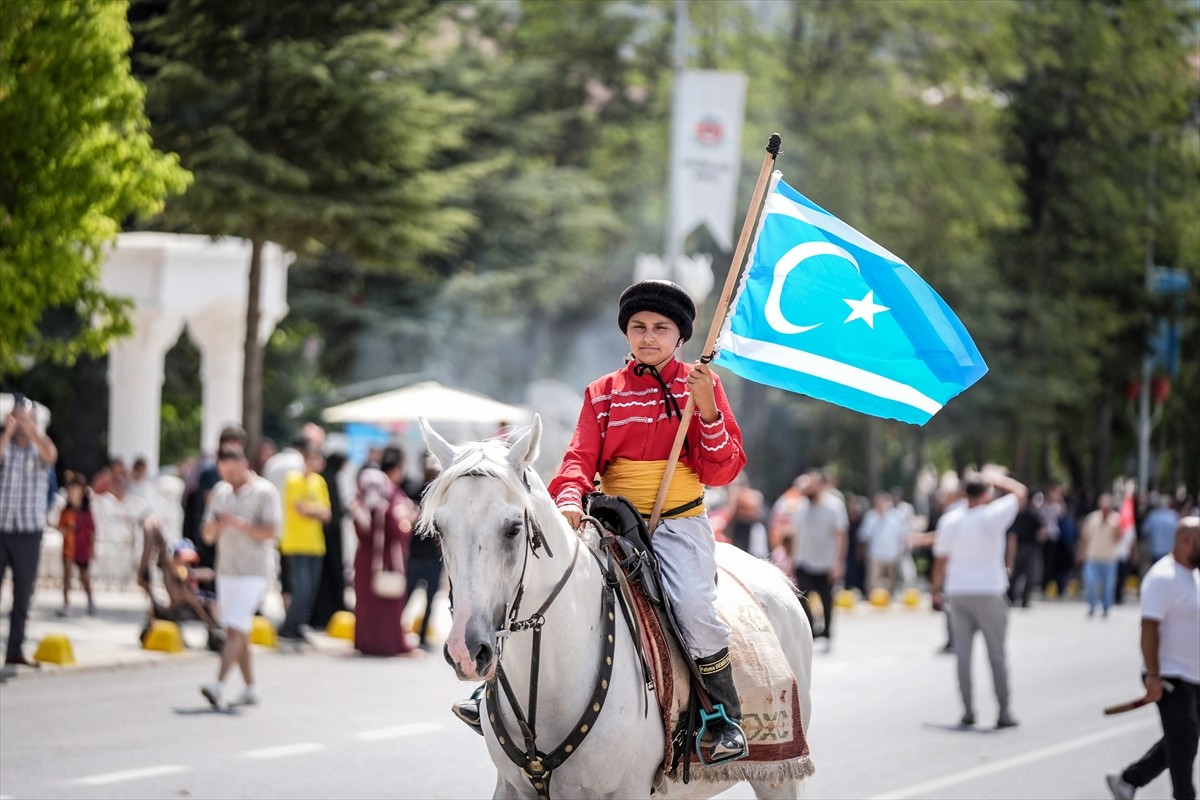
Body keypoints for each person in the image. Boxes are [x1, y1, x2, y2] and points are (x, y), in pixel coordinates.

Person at [455, 280, 749, 763]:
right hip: (609, 520)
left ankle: (721, 715)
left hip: (677, 524)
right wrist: (569, 499)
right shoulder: (603, 392)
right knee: (536, 587)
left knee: (695, 606)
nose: (648, 336)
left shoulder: (702, 385)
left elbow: (723, 469)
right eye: (638, 327)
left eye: (660, 328)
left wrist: (710, 411)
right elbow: (578, 459)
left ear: (681, 337)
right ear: (626, 333)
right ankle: (491, 695)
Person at [1107, 516, 1200, 800]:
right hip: (1170, 675)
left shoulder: (1193, 574)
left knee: (1183, 738)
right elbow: (1149, 628)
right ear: (1187, 542)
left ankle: (1128, 780)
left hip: (1193, 675)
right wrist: (1153, 675)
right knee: (1184, 747)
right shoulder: (1163, 578)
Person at [932, 472, 1026, 729]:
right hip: (989, 592)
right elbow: (1021, 493)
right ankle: (1004, 711)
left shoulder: (951, 519)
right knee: (996, 655)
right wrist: (997, 479)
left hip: (958, 592)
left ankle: (967, 711)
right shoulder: (992, 515)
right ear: (986, 493)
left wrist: (934, 590)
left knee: (963, 656)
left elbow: (941, 559)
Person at [199, 443, 281, 709]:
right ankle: (251, 687)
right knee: (239, 629)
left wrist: (240, 524)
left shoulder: (264, 491)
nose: (229, 478)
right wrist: (216, 525)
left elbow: (271, 531)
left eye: (233, 473)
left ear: (244, 465)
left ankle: (218, 684)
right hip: (227, 569)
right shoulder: (220, 492)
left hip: (254, 570)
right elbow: (207, 536)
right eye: (225, 473)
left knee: (235, 626)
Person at [1, 395, 58, 668]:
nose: (21, 424)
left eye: (25, 419)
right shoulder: (5, 447)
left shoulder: (39, 451)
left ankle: (15, 649)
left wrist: (31, 428)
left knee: (23, 595)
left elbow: (51, 454)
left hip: (28, 532)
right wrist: (8, 431)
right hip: (1, 529)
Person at [352, 449, 418, 658]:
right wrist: (409, 521)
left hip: (367, 557)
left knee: (367, 604)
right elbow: (396, 528)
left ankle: (366, 642)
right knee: (387, 604)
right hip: (387, 558)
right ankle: (388, 643)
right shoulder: (390, 498)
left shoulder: (364, 500)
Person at [277, 445, 331, 643]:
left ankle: (297, 625)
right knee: (301, 588)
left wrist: (311, 510)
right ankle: (289, 626)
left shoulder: (320, 482)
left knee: (311, 590)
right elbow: (299, 509)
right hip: (296, 543)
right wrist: (315, 511)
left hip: (315, 544)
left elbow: (327, 513)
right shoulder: (293, 479)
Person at [791, 470, 849, 648]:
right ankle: (811, 630)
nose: (809, 487)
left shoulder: (835, 506)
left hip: (826, 562)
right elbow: (796, 534)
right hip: (805, 561)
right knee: (802, 598)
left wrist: (838, 563)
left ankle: (827, 632)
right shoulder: (801, 507)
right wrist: (794, 558)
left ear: (822, 485)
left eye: (813, 484)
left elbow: (841, 535)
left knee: (826, 600)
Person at [405, 452, 443, 652]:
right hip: (418, 554)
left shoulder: (441, 494)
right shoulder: (416, 491)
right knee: (410, 595)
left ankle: (420, 636)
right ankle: (401, 632)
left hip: (430, 556)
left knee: (429, 599)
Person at [310, 451, 349, 630]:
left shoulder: (323, 477)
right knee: (332, 575)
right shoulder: (329, 479)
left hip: (323, 534)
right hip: (331, 536)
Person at [55, 471, 96, 617]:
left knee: (84, 576)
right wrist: (64, 529)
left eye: (76, 489)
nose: (73, 492)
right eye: (71, 489)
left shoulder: (86, 511)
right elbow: (60, 526)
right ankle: (66, 604)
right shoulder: (65, 511)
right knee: (67, 576)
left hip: (82, 548)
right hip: (68, 548)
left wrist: (92, 549)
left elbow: (92, 530)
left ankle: (91, 600)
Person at [1078, 493, 1121, 618]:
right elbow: (1085, 537)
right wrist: (1081, 552)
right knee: (1090, 583)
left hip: (1109, 558)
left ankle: (1106, 608)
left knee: (1108, 587)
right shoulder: (1092, 518)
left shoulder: (1116, 519)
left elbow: (1118, 538)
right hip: (1092, 556)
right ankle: (1091, 606)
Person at [859, 491, 910, 596]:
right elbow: (863, 535)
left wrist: (905, 547)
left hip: (893, 554)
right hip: (875, 554)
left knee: (892, 581)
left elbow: (904, 534)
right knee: (873, 581)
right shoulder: (870, 516)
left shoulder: (897, 516)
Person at [1006, 493, 1045, 608]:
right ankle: (1024, 600)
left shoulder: (1016, 515)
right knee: (1030, 575)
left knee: (1015, 574)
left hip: (1018, 547)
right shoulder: (1035, 515)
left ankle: (1011, 598)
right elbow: (1041, 534)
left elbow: (1012, 535)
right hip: (1030, 548)